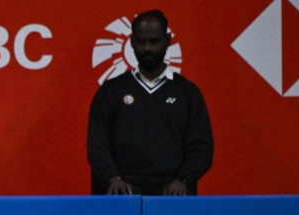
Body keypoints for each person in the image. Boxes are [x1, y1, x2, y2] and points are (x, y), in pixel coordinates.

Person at [88, 9, 213, 196]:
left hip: (172, 197)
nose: (147, 48)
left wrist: (183, 180)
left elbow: (202, 147)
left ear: (168, 40)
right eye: (141, 41)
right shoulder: (110, 91)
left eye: (154, 41)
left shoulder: (188, 93)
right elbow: (97, 145)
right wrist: (112, 178)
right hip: (121, 196)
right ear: (131, 42)